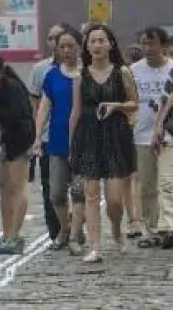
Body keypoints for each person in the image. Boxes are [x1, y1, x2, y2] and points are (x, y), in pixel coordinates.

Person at [70, 24, 138, 263]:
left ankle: (117, 229)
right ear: (87, 47)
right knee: (90, 194)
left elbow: (134, 103)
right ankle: (95, 246)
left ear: (110, 44)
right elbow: (76, 112)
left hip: (115, 135)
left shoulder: (122, 72)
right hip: (88, 135)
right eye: (93, 41)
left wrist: (116, 106)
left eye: (102, 40)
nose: (97, 45)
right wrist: (72, 143)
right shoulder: (80, 76)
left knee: (115, 200)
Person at [34, 24, 86, 253]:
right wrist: (37, 136)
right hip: (57, 140)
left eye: (70, 46)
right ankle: (64, 228)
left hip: (84, 141)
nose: (66, 51)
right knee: (56, 192)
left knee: (79, 191)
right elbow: (44, 107)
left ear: (79, 47)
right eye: (62, 46)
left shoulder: (87, 74)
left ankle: (75, 234)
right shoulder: (52, 75)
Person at [0, 55, 36, 254]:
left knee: (17, 187)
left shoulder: (12, 87)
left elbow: (15, 116)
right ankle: (7, 234)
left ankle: (14, 235)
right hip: (8, 141)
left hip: (21, 140)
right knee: (4, 188)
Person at [130, 27, 173, 248]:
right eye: (143, 44)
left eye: (152, 44)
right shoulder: (133, 71)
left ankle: (168, 227)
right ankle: (152, 229)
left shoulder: (171, 69)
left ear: (163, 46)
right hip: (141, 134)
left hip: (168, 135)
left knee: (167, 182)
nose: (147, 48)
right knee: (147, 185)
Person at [28, 24, 64, 242]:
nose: (54, 42)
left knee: (79, 188)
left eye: (58, 38)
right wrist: (36, 135)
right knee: (51, 188)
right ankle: (57, 231)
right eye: (50, 38)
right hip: (49, 137)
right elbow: (35, 104)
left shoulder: (82, 68)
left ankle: (75, 228)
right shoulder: (40, 69)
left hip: (76, 137)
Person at [149, 71, 173, 246]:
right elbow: (165, 100)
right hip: (170, 134)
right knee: (166, 183)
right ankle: (169, 228)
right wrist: (158, 127)